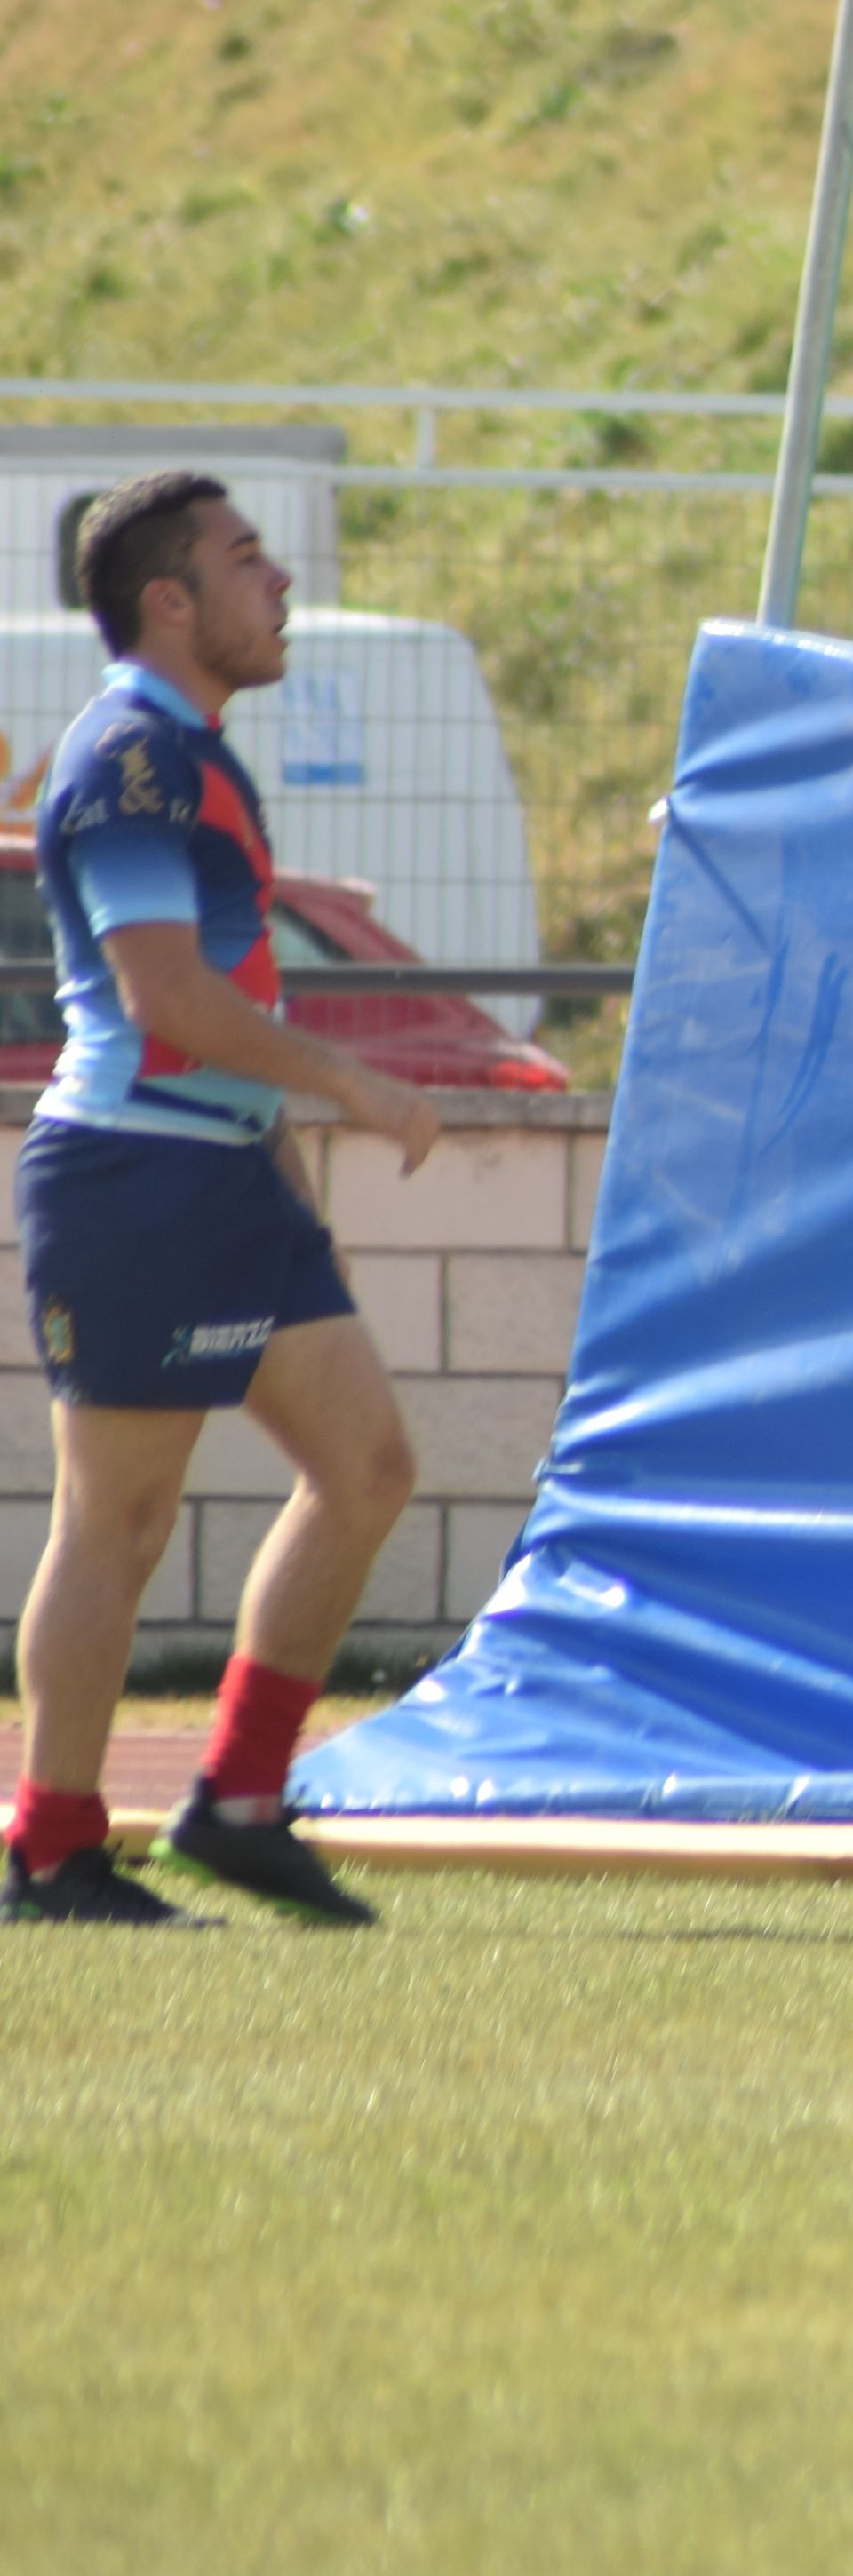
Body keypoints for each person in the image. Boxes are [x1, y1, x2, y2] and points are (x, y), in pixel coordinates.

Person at [3, 473, 442, 1928]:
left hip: (221, 1172)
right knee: (118, 1525)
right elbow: (166, 997)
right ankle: (54, 1850)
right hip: (133, 1177)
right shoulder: (131, 756)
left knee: (369, 1466)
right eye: (247, 560)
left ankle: (239, 1803)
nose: (283, 584)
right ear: (169, 602)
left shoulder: (199, 757)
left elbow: (217, 997)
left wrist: (285, 1156)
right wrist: (353, 1085)